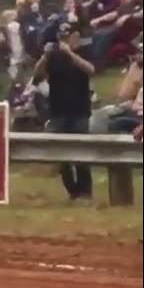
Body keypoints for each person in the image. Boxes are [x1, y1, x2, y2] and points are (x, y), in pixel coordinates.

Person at [34, 21, 97, 200]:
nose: (65, 41)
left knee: (81, 154)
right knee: (60, 153)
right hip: (58, 110)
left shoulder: (83, 52)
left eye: (68, 37)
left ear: (75, 37)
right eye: (62, 38)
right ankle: (72, 191)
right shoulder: (53, 56)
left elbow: (91, 70)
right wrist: (44, 57)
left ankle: (85, 191)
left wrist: (70, 53)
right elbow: (37, 75)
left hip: (79, 110)